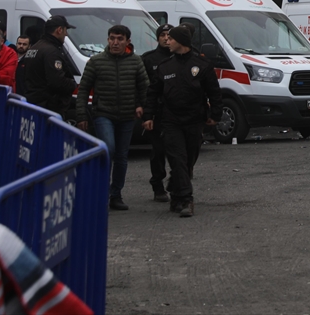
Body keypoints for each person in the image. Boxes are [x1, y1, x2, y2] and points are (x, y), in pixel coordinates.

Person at [141, 25, 220, 217]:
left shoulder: (202, 65)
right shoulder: (165, 66)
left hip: (194, 119)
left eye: (172, 38)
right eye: (166, 38)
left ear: (182, 42)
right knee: (178, 158)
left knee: (189, 160)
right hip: (171, 121)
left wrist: (215, 115)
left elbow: (214, 92)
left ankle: (176, 192)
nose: (168, 41)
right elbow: (152, 93)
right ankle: (186, 199)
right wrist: (148, 116)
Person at [76, 25, 149, 211]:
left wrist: (142, 107)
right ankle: (101, 191)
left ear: (127, 41)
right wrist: (82, 114)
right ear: (107, 40)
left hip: (127, 115)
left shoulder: (136, 62)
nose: (115, 42)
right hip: (103, 113)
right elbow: (83, 89)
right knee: (108, 148)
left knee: (122, 156)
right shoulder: (96, 61)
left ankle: (116, 194)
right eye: (112, 38)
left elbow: (145, 87)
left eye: (119, 39)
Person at [141, 24, 175, 201]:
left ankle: (177, 183)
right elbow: (145, 88)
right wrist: (147, 113)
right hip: (157, 111)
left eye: (169, 35)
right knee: (158, 151)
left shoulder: (181, 57)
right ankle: (158, 185)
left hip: (176, 112)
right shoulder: (149, 59)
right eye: (162, 34)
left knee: (179, 151)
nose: (166, 38)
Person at [24, 16, 79, 118]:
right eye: (65, 30)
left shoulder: (34, 48)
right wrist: (72, 84)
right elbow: (56, 81)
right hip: (47, 107)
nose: (66, 34)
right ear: (59, 30)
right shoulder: (51, 52)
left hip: (32, 103)